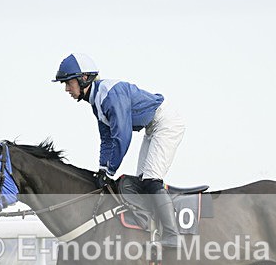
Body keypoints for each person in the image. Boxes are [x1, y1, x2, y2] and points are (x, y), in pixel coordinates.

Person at [52, 53, 185, 248]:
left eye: (68, 83)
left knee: (151, 179)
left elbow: (122, 136)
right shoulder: (97, 101)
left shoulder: (109, 95)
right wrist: (102, 169)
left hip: (165, 122)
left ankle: (173, 236)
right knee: (143, 181)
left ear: (84, 78)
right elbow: (107, 140)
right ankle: (152, 229)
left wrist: (110, 171)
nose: (66, 89)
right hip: (152, 127)